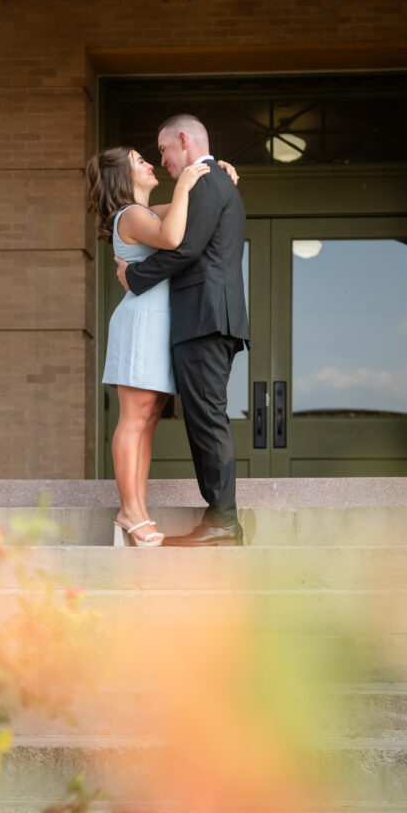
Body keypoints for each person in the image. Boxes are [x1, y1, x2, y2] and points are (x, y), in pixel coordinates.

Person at [87, 145, 237, 547]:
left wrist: (214, 175)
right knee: (134, 418)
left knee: (148, 419)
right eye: (139, 160)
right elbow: (173, 238)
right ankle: (130, 511)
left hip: (157, 324)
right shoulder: (134, 215)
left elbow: (189, 206)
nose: (150, 163)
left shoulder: (147, 211)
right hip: (141, 323)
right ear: (123, 176)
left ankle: (138, 508)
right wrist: (187, 179)